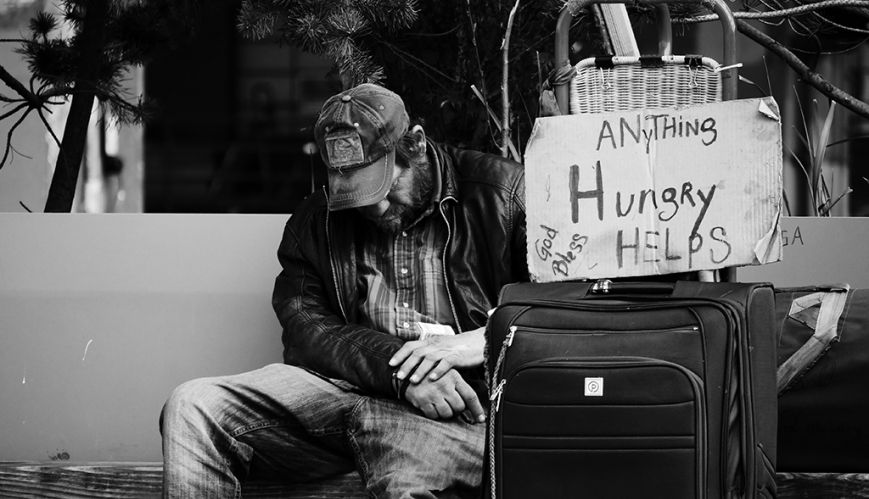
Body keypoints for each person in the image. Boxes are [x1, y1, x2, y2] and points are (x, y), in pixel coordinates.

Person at [160, 83, 528, 498]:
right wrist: (398, 370)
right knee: (193, 406)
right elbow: (304, 328)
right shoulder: (318, 219)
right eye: (356, 194)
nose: (375, 208)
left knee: (407, 488)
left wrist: (481, 339)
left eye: (383, 187)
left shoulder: (504, 196)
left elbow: (565, 313)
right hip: (342, 392)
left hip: (449, 410)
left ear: (417, 145)